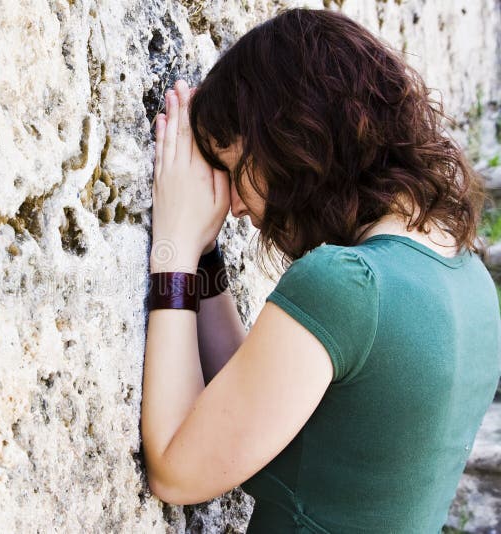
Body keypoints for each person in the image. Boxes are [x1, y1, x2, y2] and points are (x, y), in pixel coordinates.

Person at [140, 7, 501, 533]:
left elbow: (177, 470)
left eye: (234, 170)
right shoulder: (468, 280)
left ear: (291, 142)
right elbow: (247, 406)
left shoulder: (348, 285)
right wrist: (206, 253)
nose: (234, 205)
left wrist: (172, 249)